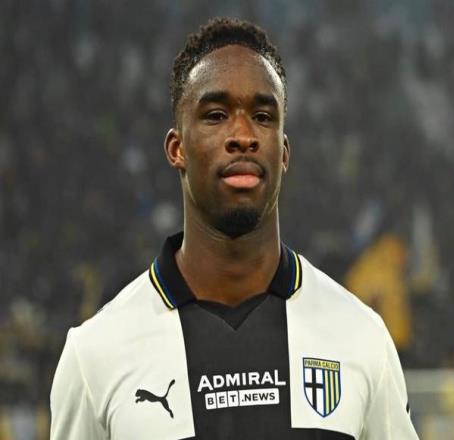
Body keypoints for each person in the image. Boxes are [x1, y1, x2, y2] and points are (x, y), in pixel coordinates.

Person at [50, 17, 419, 439]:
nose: (243, 135)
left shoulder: (361, 337)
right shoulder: (95, 355)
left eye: (262, 116)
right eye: (216, 115)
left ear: (283, 152)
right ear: (177, 148)